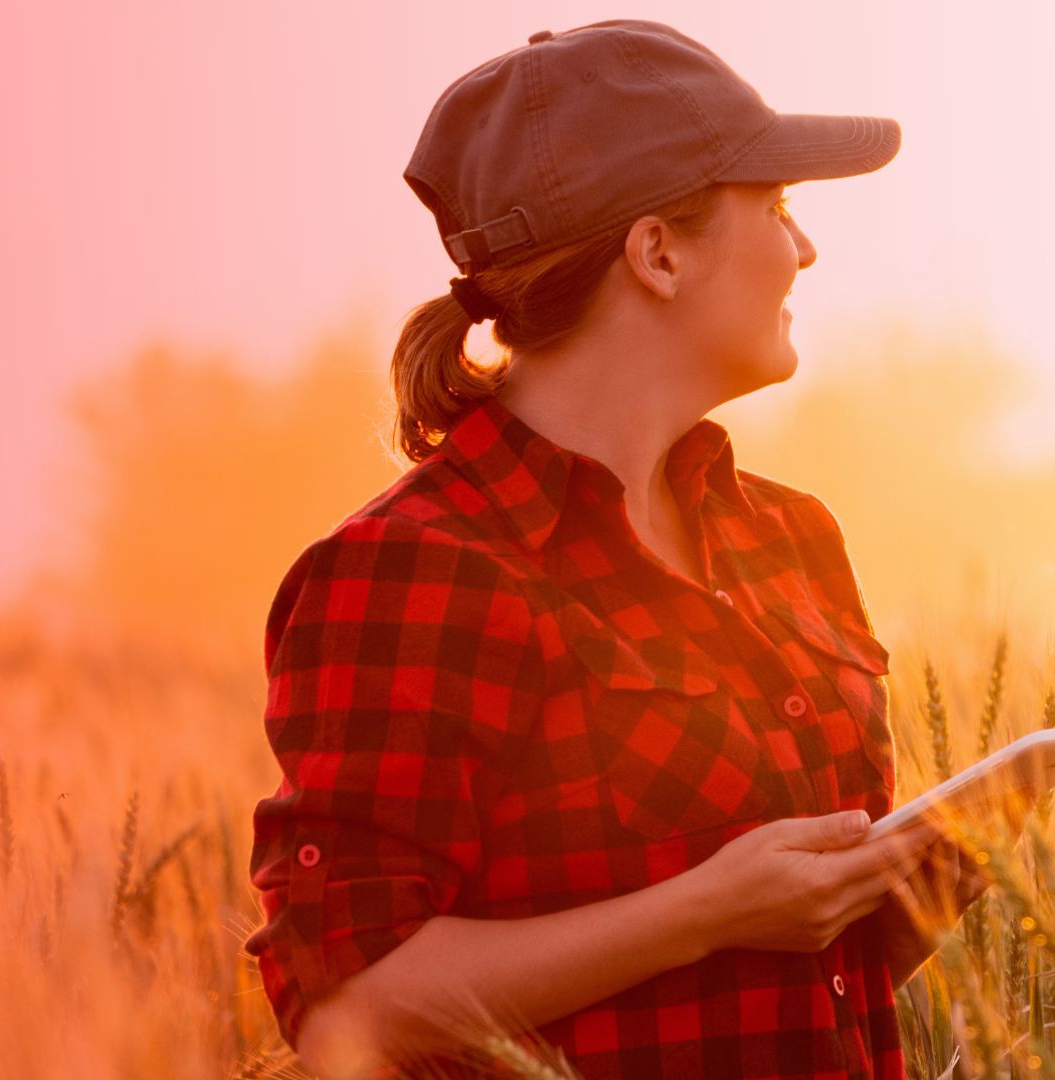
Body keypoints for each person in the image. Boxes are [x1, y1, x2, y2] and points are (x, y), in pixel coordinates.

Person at [244, 20, 997, 1078]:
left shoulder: (789, 538)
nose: (807, 248)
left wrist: (894, 897)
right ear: (657, 253)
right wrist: (706, 912)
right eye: (777, 207)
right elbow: (347, 1014)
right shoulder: (415, 567)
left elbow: (786, 977)